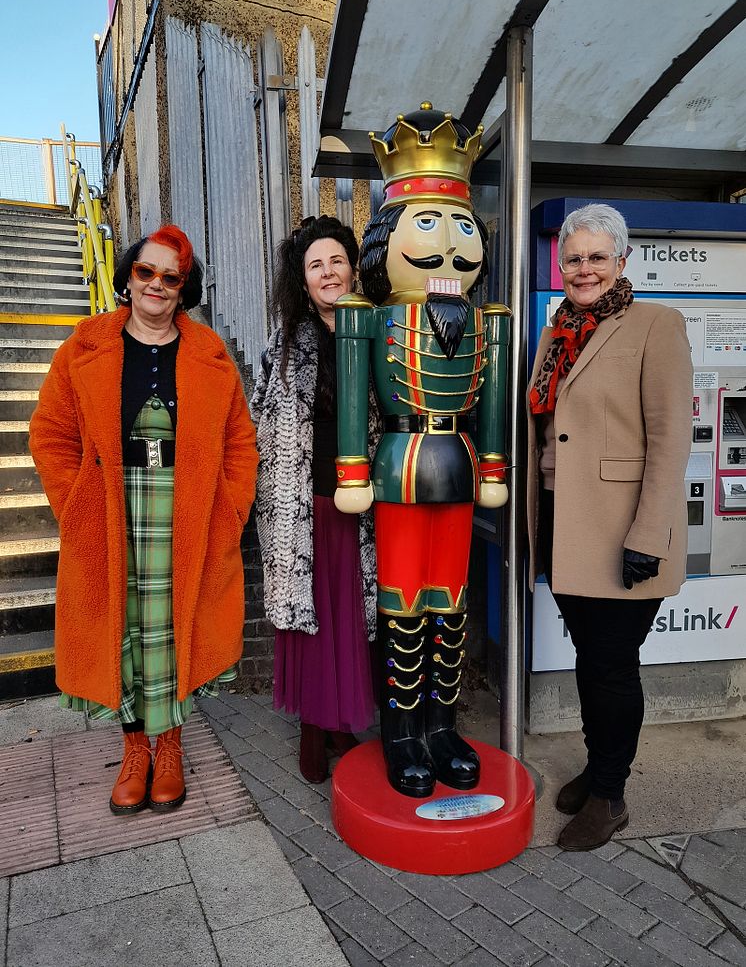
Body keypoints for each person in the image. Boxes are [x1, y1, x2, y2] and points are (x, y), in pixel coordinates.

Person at [29, 224, 258, 815]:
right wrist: (74, 504)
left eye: (170, 276)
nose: (156, 284)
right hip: (109, 509)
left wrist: (227, 512)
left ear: (185, 289)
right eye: (145, 271)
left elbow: (240, 444)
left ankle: (172, 745)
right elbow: (50, 434)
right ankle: (135, 749)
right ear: (128, 277)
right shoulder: (83, 347)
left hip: (187, 511)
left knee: (174, 629)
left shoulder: (210, 355)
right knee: (125, 633)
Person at [334, 103, 510, 798]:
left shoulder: (484, 319)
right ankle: (402, 733)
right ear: (389, 236)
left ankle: (443, 725)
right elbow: (356, 401)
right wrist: (353, 469)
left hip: (460, 468)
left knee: (452, 601)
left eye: (461, 224)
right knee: (404, 603)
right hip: (401, 467)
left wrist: (493, 464)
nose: (449, 244)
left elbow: (490, 401)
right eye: (427, 223)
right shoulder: (366, 317)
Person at [527, 203, 693, 850]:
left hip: (624, 535)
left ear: (622, 262)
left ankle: (610, 795)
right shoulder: (555, 332)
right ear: (560, 265)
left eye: (598, 257)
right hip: (565, 529)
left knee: (612, 666)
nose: (585, 268)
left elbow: (671, 437)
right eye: (574, 258)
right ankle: (598, 768)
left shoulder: (656, 325)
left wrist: (648, 535)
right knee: (590, 660)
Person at [250, 215, 377, 784]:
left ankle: (341, 723)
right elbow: (261, 422)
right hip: (304, 505)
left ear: (353, 267)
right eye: (315, 266)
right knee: (312, 616)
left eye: (336, 261)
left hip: (362, 502)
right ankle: (312, 727)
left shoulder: (378, 330)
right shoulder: (283, 343)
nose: (328, 273)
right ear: (302, 282)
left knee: (350, 613)